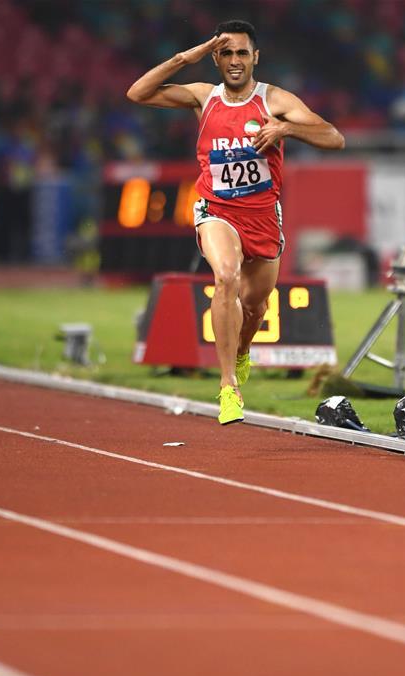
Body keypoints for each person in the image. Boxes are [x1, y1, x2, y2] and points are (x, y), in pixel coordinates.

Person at [127, 20, 345, 424]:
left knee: (256, 304)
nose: (234, 61)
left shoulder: (275, 100)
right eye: (225, 53)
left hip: (262, 216)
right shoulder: (202, 97)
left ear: (255, 57)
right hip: (217, 210)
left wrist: (286, 128)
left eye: (241, 53)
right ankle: (229, 386)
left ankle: (243, 351)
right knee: (225, 277)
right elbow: (137, 93)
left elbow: (334, 137)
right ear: (215, 58)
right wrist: (184, 57)